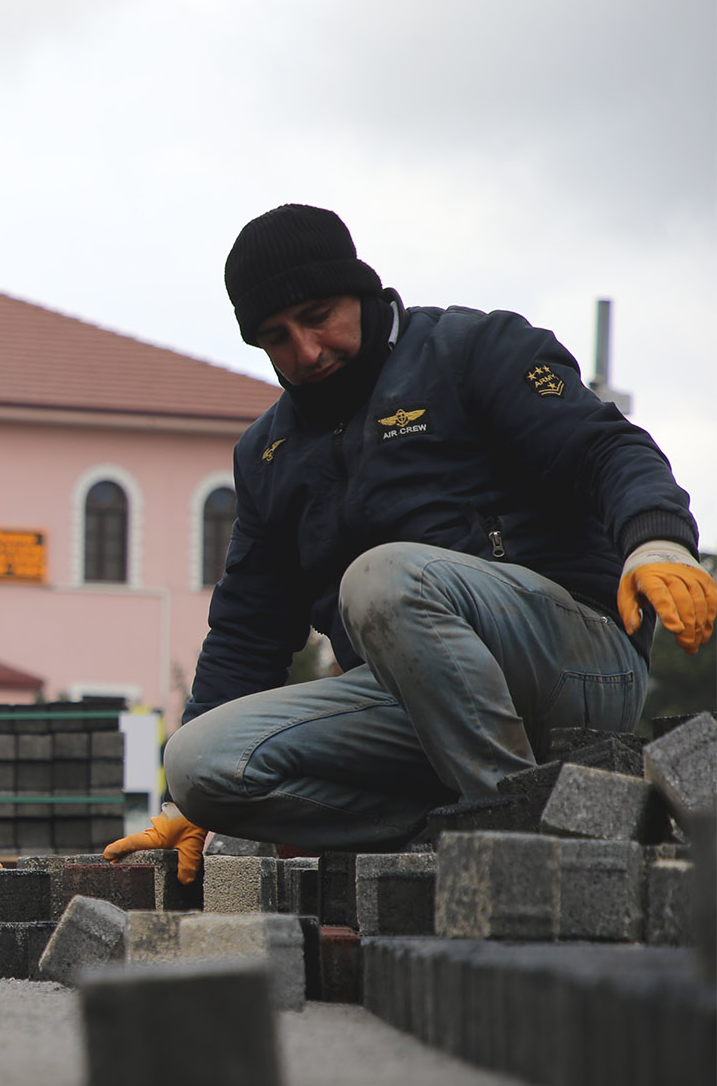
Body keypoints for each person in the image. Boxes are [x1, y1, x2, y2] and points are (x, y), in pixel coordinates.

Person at [110, 203, 712, 876]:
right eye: (278, 337)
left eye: (318, 316)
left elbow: (604, 449)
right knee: (198, 762)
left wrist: (656, 540)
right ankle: (453, 833)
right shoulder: (269, 456)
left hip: (573, 659)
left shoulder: (472, 352)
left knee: (381, 579)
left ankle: (518, 842)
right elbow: (247, 631)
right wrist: (184, 806)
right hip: (417, 704)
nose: (306, 351)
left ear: (363, 292)